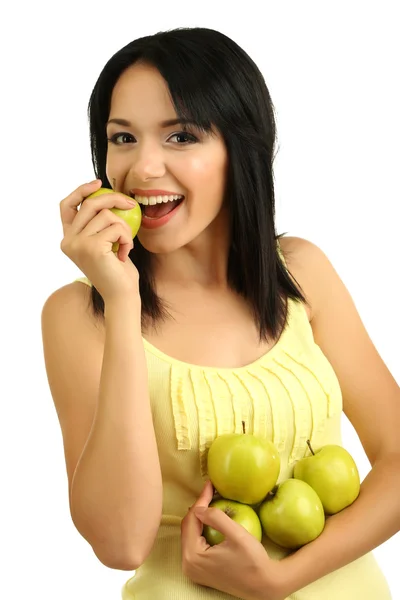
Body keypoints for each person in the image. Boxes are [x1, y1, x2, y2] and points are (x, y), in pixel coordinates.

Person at [41, 27, 399, 600]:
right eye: (123, 137)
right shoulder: (79, 312)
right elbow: (119, 544)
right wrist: (124, 299)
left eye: (181, 136)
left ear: (240, 147)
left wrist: (282, 580)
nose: (144, 167)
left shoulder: (301, 274)